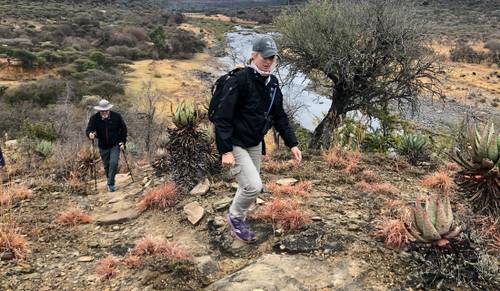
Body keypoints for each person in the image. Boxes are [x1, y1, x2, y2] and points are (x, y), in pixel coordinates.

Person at [213, 36, 302, 243]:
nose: (268, 61)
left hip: (254, 142)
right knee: (252, 186)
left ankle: (241, 215)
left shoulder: (272, 83)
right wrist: (225, 151)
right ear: (254, 55)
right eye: (265, 57)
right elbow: (222, 118)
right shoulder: (240, 80)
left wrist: (293, 143)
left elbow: (279, 116)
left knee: (253, 186)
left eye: (272, 57)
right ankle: (235, 218)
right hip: (235, 142)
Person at [85, 99, 127, 192]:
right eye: (102, 111)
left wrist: (122, 142)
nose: (104, 113)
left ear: (109, 110)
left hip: (115, 144)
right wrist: (90, 134)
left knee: (114, 162)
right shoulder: (94, 118)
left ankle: (111, 184)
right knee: (107, 165)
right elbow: (88, 130)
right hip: (103, 146)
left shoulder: (117, 116)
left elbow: (123, 129)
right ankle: (110, 179)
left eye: (106, 111)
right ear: (99, 110)